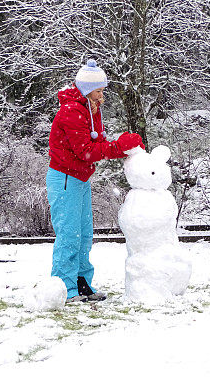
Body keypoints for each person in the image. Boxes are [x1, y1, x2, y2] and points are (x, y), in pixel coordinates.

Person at [48, 59, 143, 303]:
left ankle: (82, 284)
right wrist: (118, 147)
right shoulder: (71, 111)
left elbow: (96, 146)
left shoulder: (90, 110)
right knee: (69, 235)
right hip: (66, 178)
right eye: (99, 91)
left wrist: (122, 148)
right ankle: (64, 288)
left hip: (79, 178)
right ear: (87, 90)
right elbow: (86, 151)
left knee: (83, 234)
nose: (103, 96)